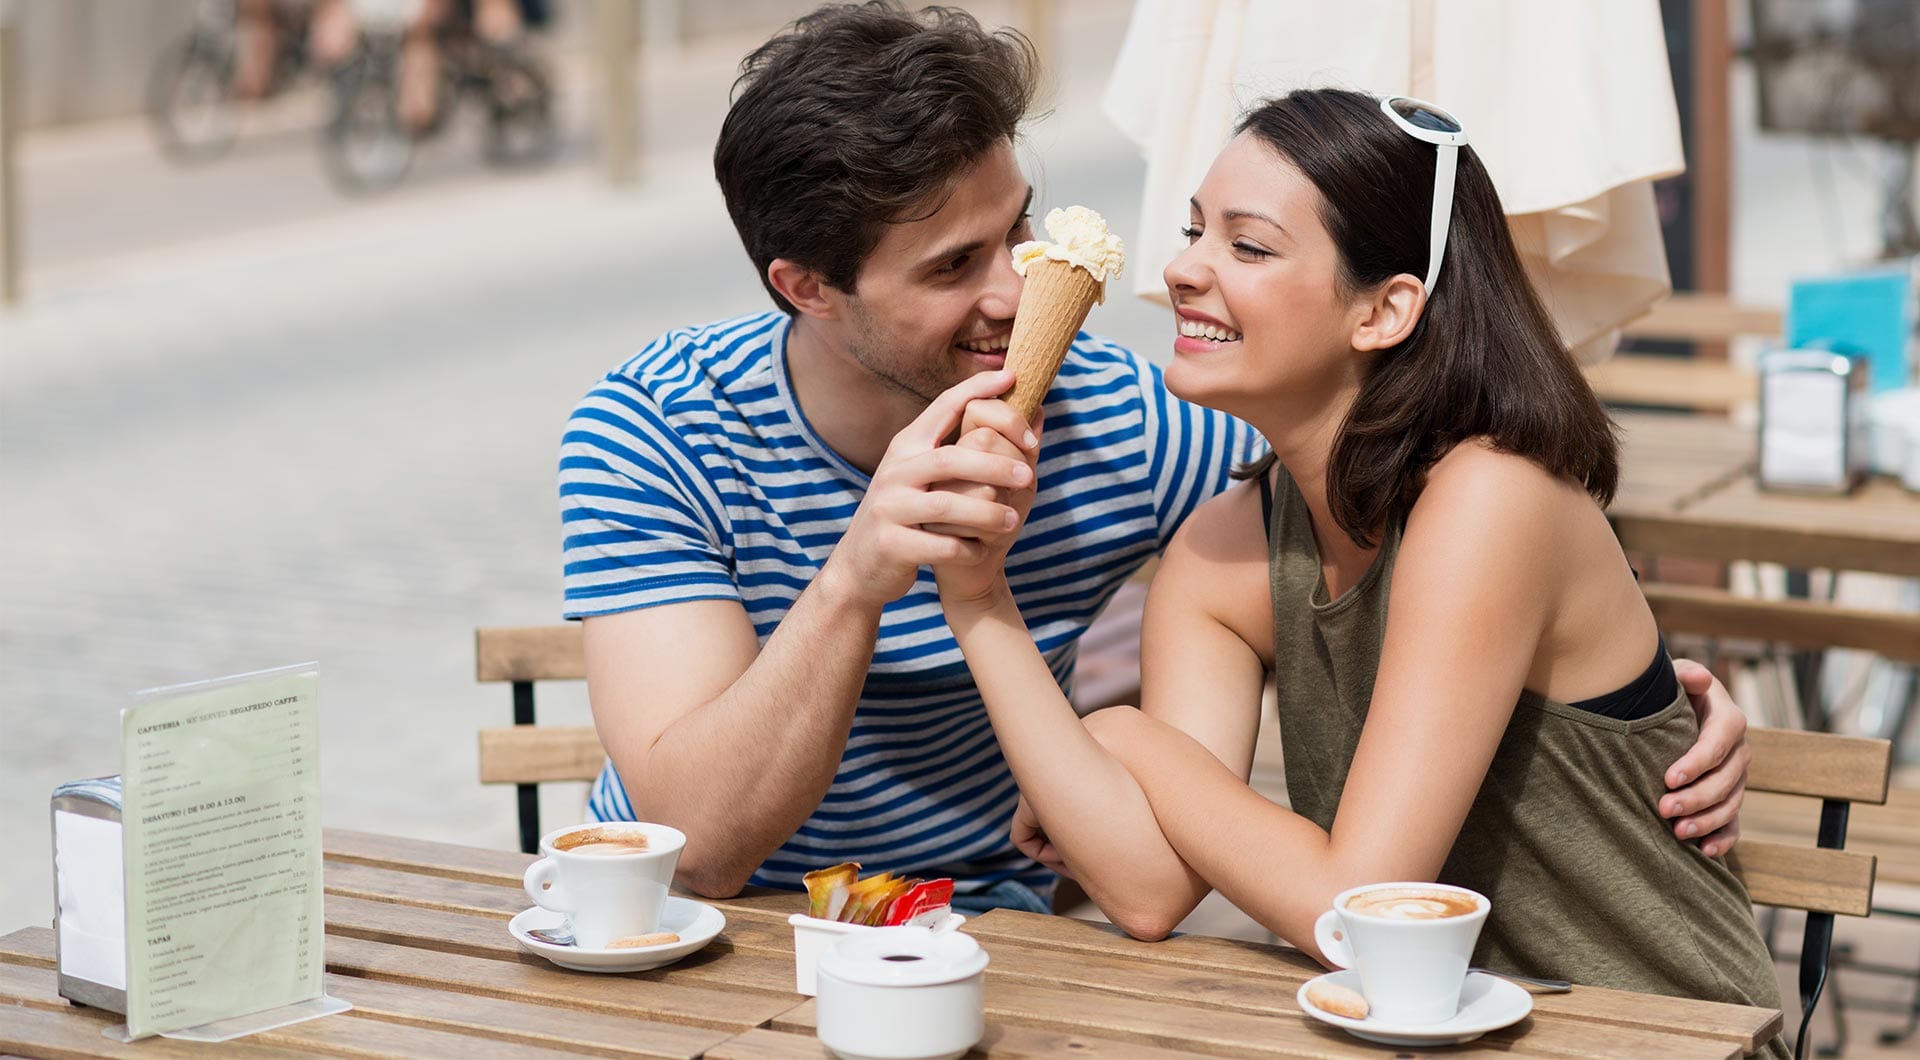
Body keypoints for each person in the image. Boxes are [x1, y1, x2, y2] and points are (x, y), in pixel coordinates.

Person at [558, 3, 1753, 916]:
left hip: (992, 933)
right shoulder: (658, 429)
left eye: (1016, 229)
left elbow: (1397, 475)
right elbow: (696, 847)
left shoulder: (1138, 430)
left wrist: (1650, 684)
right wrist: (860, 574)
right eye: (948, 268)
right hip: (700, 936)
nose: (1014, 291)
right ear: (807, 288)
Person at [930, 87, 1785, 1041]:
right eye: (1193, 231)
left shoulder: (1490, 497)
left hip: (1660, 1035)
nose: (1181, 270)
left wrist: (1124, 735)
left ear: (1384, 310)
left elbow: (1359, 908)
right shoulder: (1225, 547)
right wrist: (976, 601)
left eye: (1246, 247)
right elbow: (1147, 888)